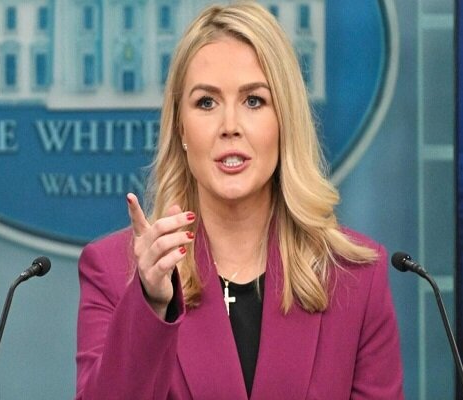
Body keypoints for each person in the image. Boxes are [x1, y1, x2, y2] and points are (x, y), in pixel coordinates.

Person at [75, 2, 404, 399]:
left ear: (284, 120)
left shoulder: (356, 278)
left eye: (253, 101)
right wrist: (151, 304)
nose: (230, 126)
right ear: (180, 127)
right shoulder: (114, 272)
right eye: (206, 103)